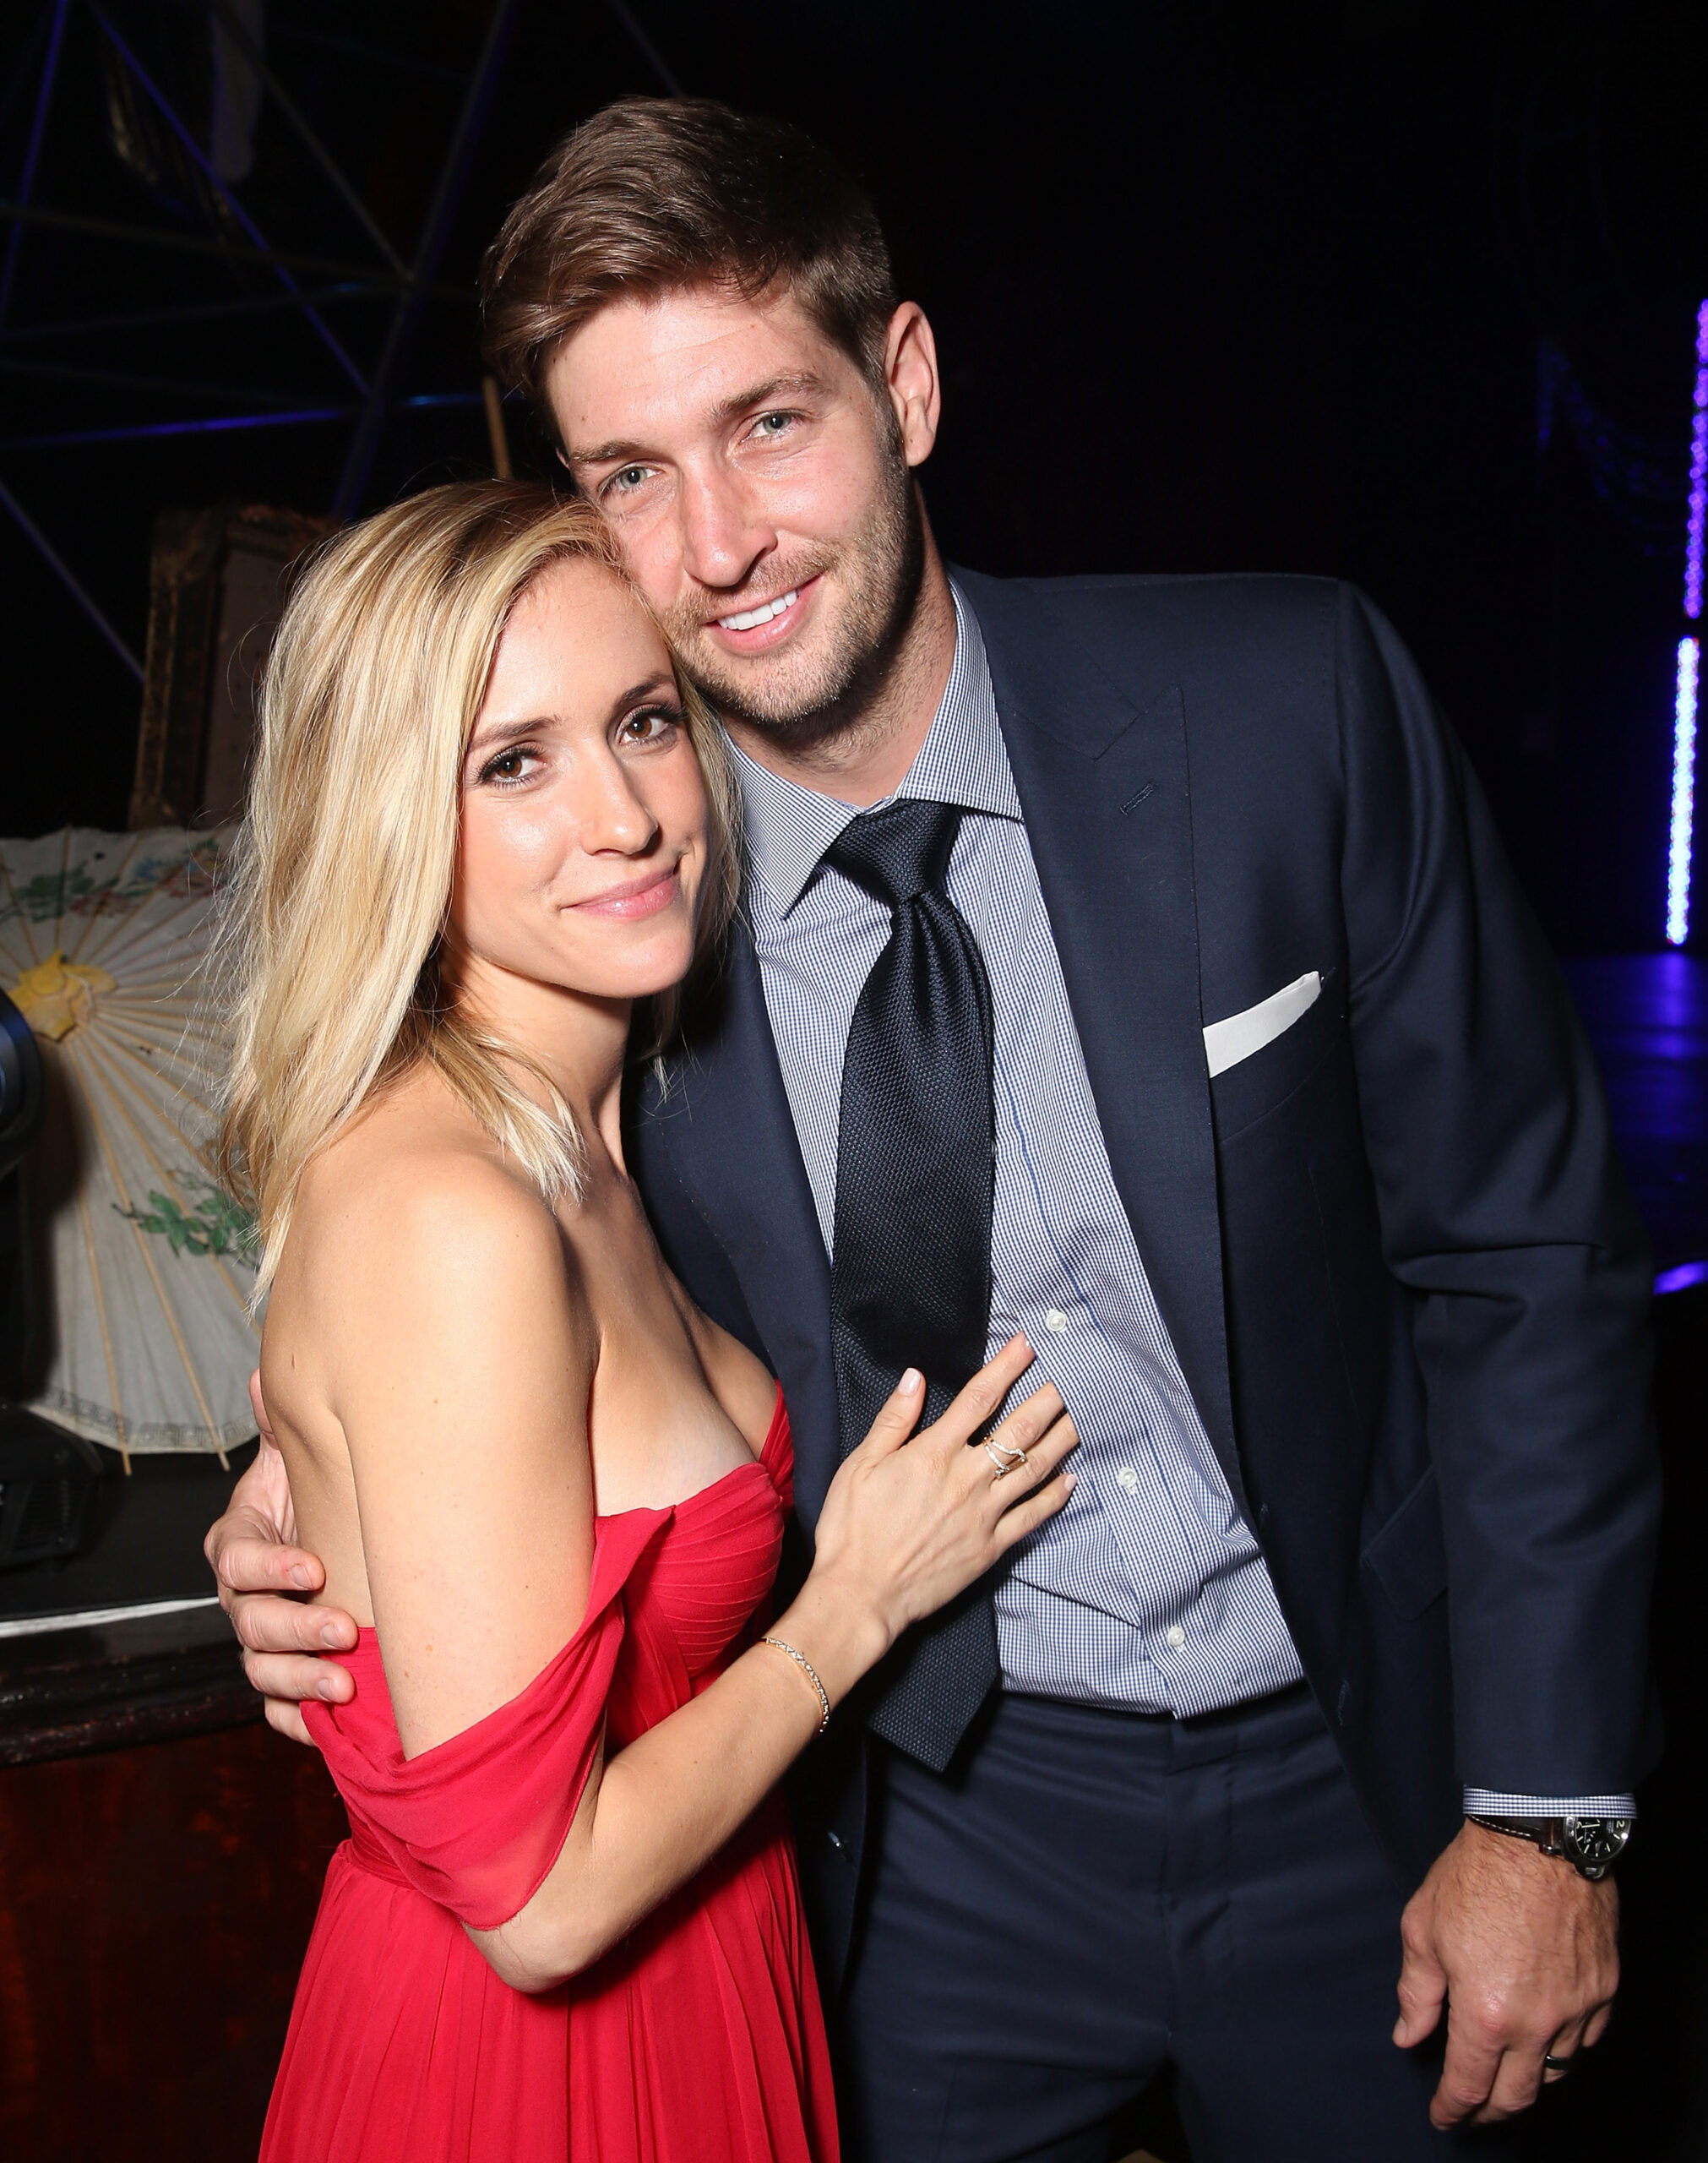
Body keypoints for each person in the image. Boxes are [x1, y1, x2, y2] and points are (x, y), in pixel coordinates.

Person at [209, 101, 1661, 2162]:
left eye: (769, 424)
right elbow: (466, 1307)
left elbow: (1526, 1263)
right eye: (631, 472)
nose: (716, 542)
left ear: (903, 384)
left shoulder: (1286, 708)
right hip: (915, 1825)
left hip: (1357, 1768)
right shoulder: (597, 915)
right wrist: (300, 1504)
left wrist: (1549, 1805)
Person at [216, 478, 1076, 2163]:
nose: (623, 815)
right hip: (528, 2075)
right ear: (395, 812)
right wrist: (855, 1604)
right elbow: (535, 1904)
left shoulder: (616, 1133)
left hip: (716, 1967)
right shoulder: (458, 1215)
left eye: (643, 721)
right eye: (512, 760)